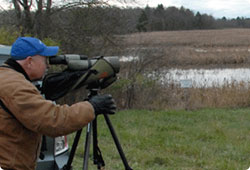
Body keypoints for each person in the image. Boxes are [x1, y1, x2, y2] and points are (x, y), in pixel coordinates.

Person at [0, 37, 116, 170]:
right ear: (30, 61)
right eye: (44, 60)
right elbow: (52, 120)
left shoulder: (7, 77)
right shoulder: (15, 86)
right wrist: (92, 107)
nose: (48, 66)